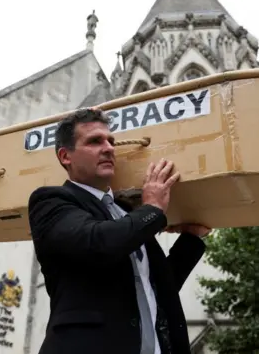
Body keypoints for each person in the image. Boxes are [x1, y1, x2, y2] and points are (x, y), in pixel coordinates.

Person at [28, 108, 211, 354]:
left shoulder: (127, 214)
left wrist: (191, 237)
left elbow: (156, 288)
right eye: (95, 141)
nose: (109, 148)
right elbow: (100, 244)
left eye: (111, 141)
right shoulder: (51, 202)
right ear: (65, 156)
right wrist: (153, 208)